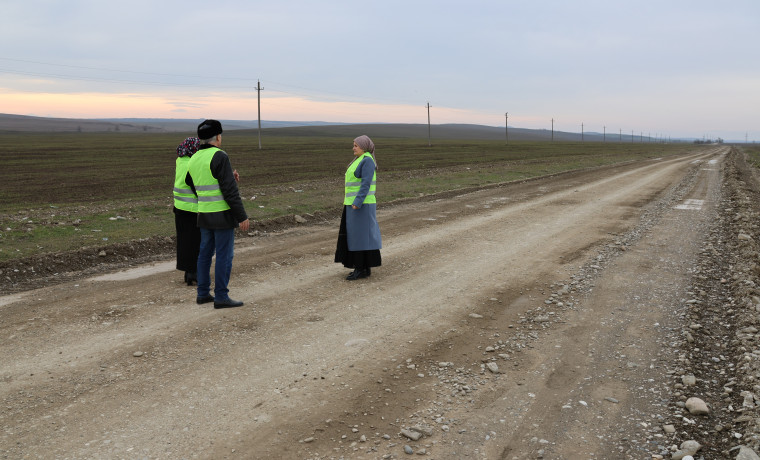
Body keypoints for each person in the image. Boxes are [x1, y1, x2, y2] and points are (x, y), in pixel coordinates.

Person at [186, 119, 250, 308]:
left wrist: (226, 179)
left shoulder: (194, 158)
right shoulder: (220, 156)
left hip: (204, 214)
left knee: (204, 255)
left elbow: (191, 182)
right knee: (224, 256)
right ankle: (221, 296)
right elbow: (230, 191)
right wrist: (242, 216)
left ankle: (203, 294)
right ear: (218, 137)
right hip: (222, 215)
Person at [335, 135, 382, 280]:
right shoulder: (361, 159)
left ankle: (360, 268)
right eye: (353, 145)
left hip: (361, 205)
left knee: (360, 238)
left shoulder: (367, 160)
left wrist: (358, 201)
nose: (353, 148)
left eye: (356, 145)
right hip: (354, 204)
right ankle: (364, 268)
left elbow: (366, 183)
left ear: (364, 146)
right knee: (359, 237)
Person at [173, 136, 202, 286]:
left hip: (179, 208)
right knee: (195, 242)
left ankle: (187, 273)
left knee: (184, 242)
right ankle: (193, 273)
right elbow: (195, 186)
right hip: (192, 210)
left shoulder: (180, 160)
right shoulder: (192, 164)